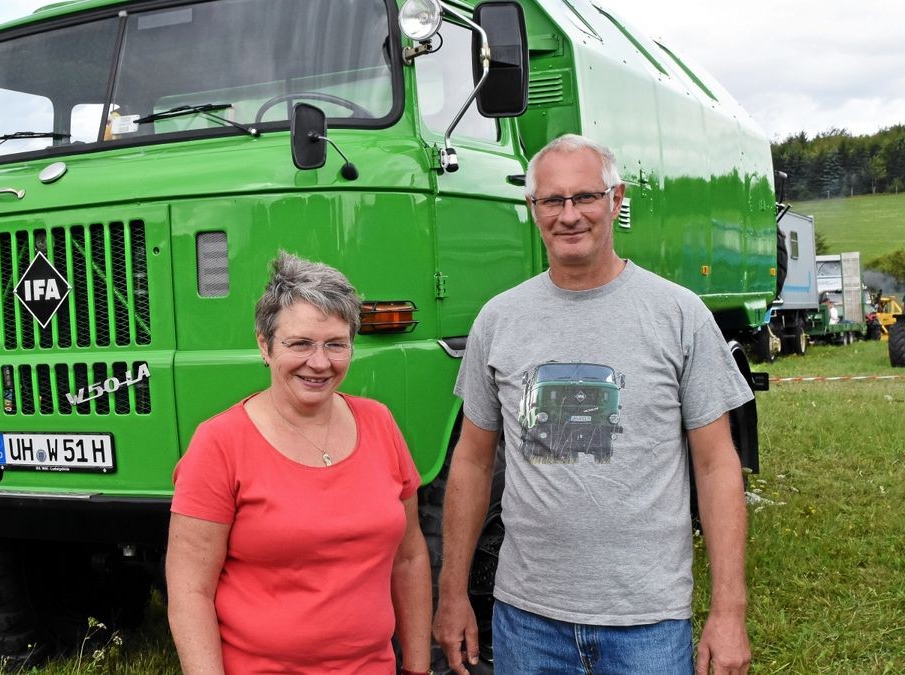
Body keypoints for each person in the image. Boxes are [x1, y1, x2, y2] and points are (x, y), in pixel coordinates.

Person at [432, 134, 754, 675]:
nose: (569, 215)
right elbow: (471, 460)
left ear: (616, 199)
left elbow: (717, 465)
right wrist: (451, 593)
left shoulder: (679, 315)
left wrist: (729, 611)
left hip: (647, 622)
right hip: (527, 619)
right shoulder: (499, 320)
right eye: (552, 201)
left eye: (585, 197)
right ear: (532, 209)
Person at [166, 252, 432, 674]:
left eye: (335, 344)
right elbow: (189, 591)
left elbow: (410, 555)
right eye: (300, 343)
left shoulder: (379, 422)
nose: (320, 362)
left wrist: (419, 667)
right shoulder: (219, 443)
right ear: (264, 344)